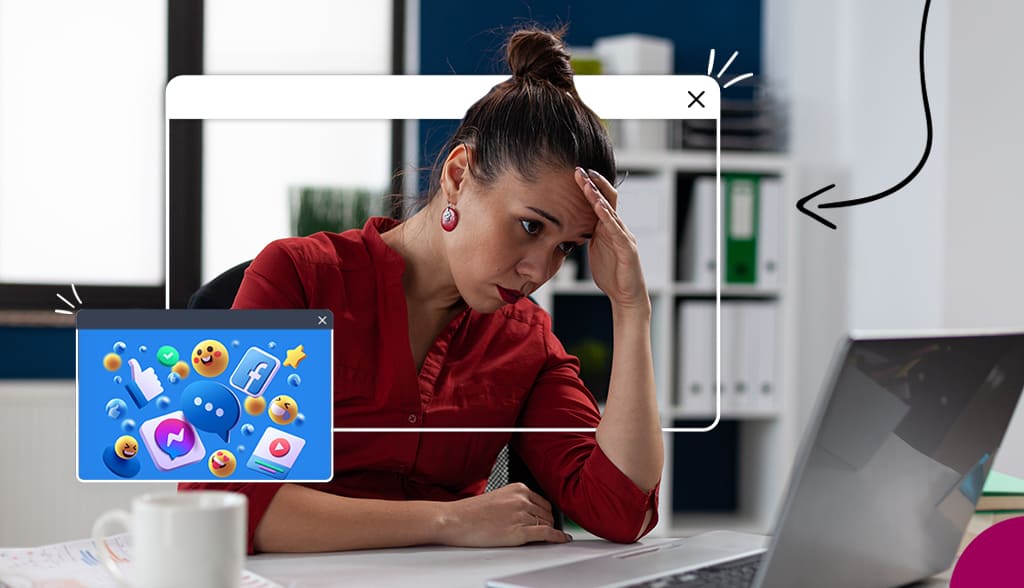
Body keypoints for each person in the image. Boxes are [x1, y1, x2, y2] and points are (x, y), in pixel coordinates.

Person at [180, 26, 663, 554]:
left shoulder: (526, 341)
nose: (538, 270)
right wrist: (447, 521)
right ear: (459, 175)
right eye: (531, 227)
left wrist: (630, 306)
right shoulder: (300, 278)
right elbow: (220, 502)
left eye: (567, 247)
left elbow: (623, 511)